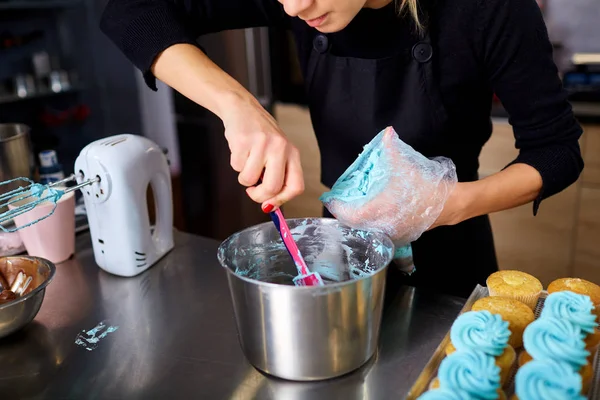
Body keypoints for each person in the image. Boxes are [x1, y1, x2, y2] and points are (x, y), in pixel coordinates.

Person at [100, 0, 583, 298]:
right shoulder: (298, 1)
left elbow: (556, 151)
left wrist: (448, 206)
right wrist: (239, 106)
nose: (292, 8)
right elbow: (130, 11)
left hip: (454, 254)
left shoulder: (484, 9)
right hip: (342, 256)